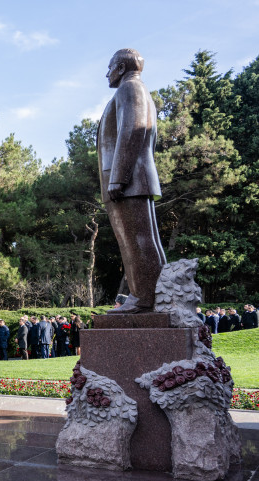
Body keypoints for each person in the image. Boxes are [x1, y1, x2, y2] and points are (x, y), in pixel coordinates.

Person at [100, 48, 167, 314]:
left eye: (109, 67)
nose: (107, 74)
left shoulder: (130, 89)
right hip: (134, 178)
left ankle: (144, 297)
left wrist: (118, 178)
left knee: (136, 240)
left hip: (127, 181)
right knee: (140, 239)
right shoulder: (137, 91)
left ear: (121, 67)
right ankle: (150, 295)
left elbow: (133, 130)